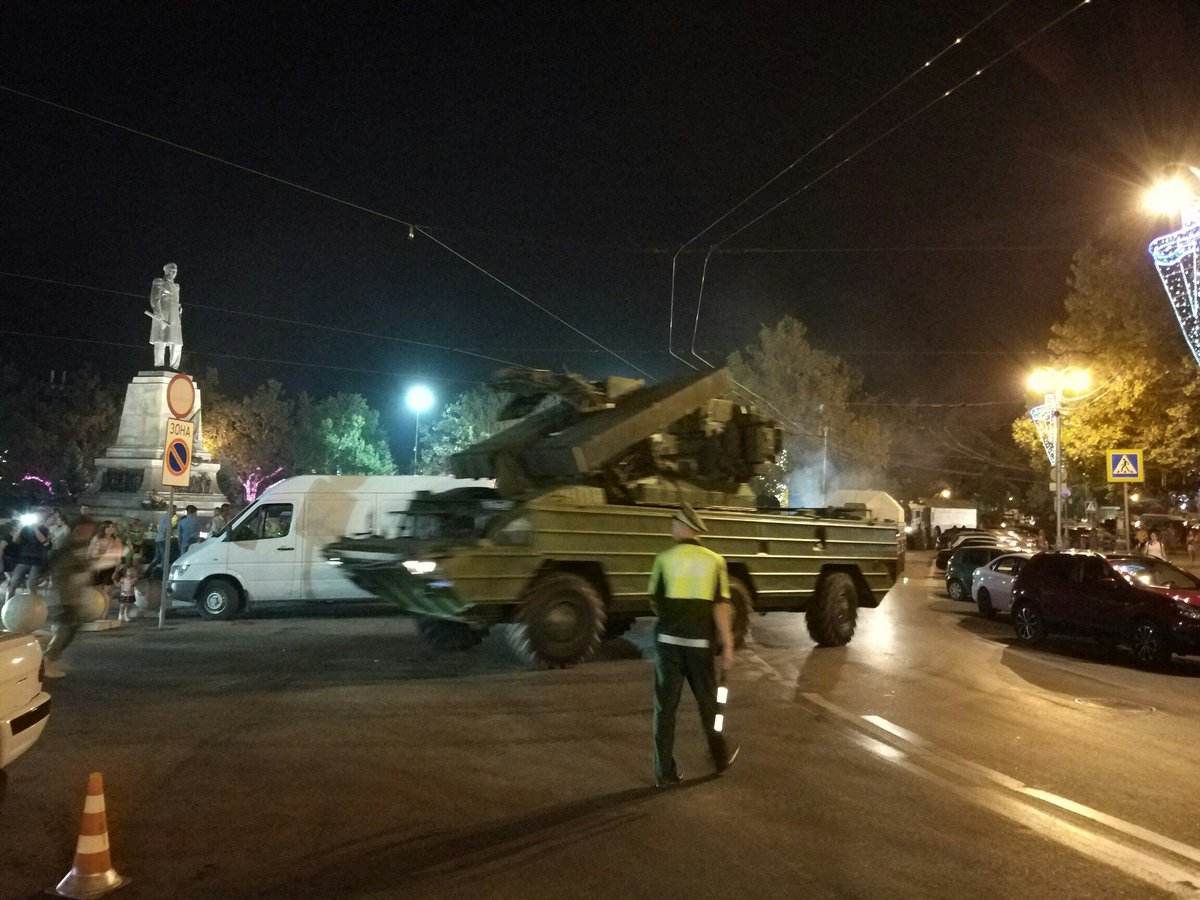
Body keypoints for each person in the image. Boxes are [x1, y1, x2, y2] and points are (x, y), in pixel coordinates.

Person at [648, 503, 739, 788]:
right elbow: (720, 606)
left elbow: (653, 601)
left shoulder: (663, 559)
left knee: (665, 710)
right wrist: (728, 645)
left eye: (675, 523)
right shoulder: (715, 561)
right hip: (699, 646)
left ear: (687, 526)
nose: (671, 528)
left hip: (667, 645)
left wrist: (672, 617)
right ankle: (719, 757)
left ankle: (664, 772)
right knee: (710, 705)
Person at [43, 516, 99, 678]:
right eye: (84, 530)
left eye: (89, 531)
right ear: (76, 529)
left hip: (73, 596)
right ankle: (48, 660)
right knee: (66, 629)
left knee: (70, 629)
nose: (87, 534)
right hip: (64, 597)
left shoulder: (80, 547)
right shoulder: (66, 549)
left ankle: (51, 659)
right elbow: (61, 571)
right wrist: (79, 574)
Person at [5, 513, 50, 600]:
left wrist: (35, 528)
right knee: (13, 583)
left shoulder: (43, 529)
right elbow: (14, 541)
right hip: (23, 560)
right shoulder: (25, 529)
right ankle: (7, 604)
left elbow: (44, 541)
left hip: (36, 561)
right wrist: (20, 528)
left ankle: (36, 604)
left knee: (30, 584)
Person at [147, 262, 183, 369]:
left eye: (175, 271)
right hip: (163, 314)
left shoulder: (176, 286)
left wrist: (179, 310)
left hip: (175, 316)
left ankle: (174, 366)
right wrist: (158, 312)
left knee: (177, 341)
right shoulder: (159, 282)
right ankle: (159, 364)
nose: (173, 273)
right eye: (171, 271)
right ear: (166, 271)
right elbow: (154, 298)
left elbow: (175, 301)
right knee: (160, 339)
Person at [88, 520, 125, 603]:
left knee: (107, 592)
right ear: (103, 528)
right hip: (96, 567)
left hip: (109, 568)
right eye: (109, 527)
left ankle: (105, 614)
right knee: (97, 592)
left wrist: (116, 571)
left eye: (112, 526)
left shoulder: (116, 540)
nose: (111, 528)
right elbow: (90, 553)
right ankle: (98, 610)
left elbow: (118, 557)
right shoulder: (96, 539)